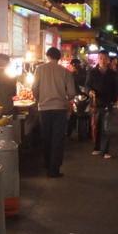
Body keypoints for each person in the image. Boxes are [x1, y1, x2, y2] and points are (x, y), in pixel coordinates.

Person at [32, 47, 74, 178]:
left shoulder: (39, 69)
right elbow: (71, 93)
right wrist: (65, 98)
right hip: (60, 109)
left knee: (46, 137)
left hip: (44, 109)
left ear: (47, 56)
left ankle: (47, 164)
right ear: (59, 57)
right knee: (57, 139)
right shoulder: (65, 72)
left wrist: (40, 99)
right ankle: (54, 169)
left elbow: (34, 88)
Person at [88, 50, 118, 159]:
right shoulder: (92, 72)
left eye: (105, 58)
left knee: (106, 128)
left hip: (107, 103)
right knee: (96, 127)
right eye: (101, 58)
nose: (103, 60)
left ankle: (105, 150)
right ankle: (97, 148)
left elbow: (115, 88)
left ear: (108, 60)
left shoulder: (112, 73)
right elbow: (87, 85)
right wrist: (90, 91)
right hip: (96, 104)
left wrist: (114, 100)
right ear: (98, 59)